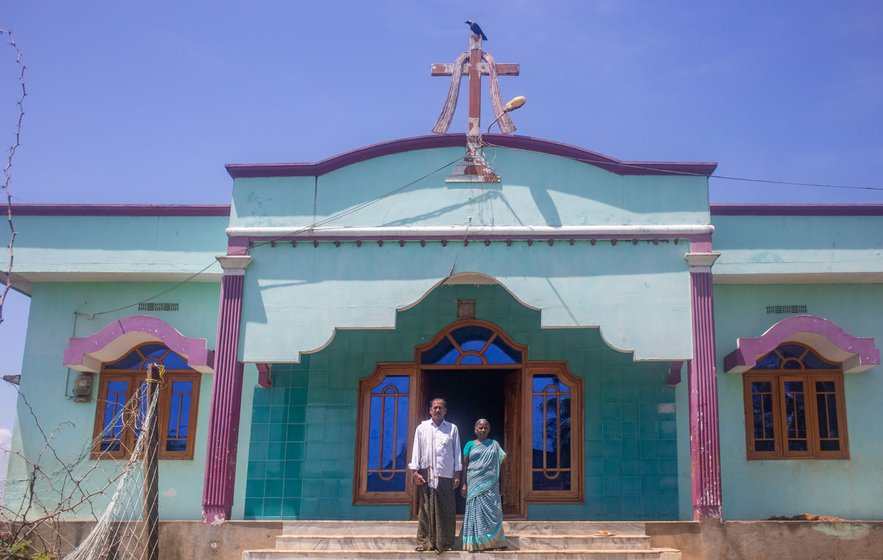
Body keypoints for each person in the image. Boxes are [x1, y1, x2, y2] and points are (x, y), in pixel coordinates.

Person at [409, 398, 462, 554]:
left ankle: (446, 542)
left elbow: (457, 452)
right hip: (427, 475)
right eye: (435, 408)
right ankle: (424, 541)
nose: (437, 410)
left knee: (447, 510)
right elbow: (416, 450)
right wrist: (415, 472)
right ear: (430, 410)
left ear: (445, 410)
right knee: (425, 509)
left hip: (446, 475)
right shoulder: (422, 428)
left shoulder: (452, 429)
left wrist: (457, 473)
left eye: (440, 408)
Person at [460, 418, 507, 552]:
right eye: (480, 427)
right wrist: (463, 484)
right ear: (475, 430)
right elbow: (464, 465)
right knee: (476, 513)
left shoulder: (495, 444)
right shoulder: (469, 445)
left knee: (494, 512)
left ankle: (495, 542)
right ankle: (476, 543)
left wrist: (504, 483)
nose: (483, 430)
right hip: (474, 483)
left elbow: (503, 463)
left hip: (492, 485)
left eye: (485, 427)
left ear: (489, 429)